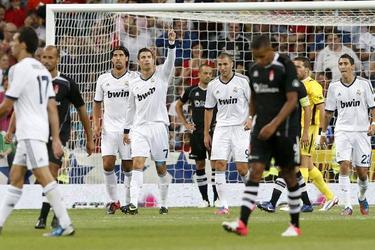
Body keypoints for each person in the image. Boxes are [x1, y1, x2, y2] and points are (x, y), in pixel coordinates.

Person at [222, 35, 302, 237]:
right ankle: (242, 223)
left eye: (261, 56)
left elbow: (292, 100)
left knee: (289, 175)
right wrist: (251, 118)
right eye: (255, 57)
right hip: (261, 130)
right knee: (255, 171)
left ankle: (294, 225)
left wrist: (273, 125)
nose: (259, 61)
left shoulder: (285, 65)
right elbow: (254, 97)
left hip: (283, 129)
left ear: (270, 50)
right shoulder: (254, 70)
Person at [0, 27, 73, 237]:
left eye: (14, 40)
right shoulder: (41, 70)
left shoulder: (20, 69)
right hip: (32, 131)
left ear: (23, 44)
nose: (11, 44)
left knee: (44, 176)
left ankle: (66, 224)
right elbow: (51, 106)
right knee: (15, 178)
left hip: (30, 131)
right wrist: (56, 137)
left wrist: (56, 138)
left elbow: (6, 106)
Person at [30, 45, 94, 229]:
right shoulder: (34, 81)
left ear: (57, 59)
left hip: (59, 136)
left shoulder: (67, 83)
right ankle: (56, 212)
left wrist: (89, 139)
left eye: (51, 57)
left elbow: (82, 112)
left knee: (51, 172)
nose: (47, 61)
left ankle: (43, 217)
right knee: (41, 176)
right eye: (44, 57)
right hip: (37, 134)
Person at [123, 29, 176, 215]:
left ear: (154, 60)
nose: (146, 59)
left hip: (159, 127)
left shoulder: (162, 75)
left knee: (161, 168)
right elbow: (131, 108)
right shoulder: (133, 82)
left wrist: (171, 45)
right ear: (139, 61)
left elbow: (170, 61)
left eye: (149, 56)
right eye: (143, 57)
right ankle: (133, 204)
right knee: (137, 162)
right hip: (139, 128)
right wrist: (126, 130)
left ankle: (164, 203)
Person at [321, 54, 375, 216]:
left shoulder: (364, 84)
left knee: (362, 173)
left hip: (362, 132)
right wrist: (323, 132)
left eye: (345, 63)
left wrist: (373, 124)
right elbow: (328, 112)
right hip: (342, 130)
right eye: (340, 64)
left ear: (352, 66)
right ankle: (347, 205)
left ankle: (362, 196)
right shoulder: (334, 86)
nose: (342, 66)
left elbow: (373, 107)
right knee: (344, 164)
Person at [204, 52, 251, 215]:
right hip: (221, 128)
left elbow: (254, 102)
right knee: (219, 165)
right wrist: (206, 133)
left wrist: (251, 118)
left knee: (242, 168)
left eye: (225, 64)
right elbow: (209, 109)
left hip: (240, 128)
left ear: (232, 64)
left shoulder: (243, 81)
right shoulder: (212, 85)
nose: (222, 67)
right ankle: (223, 205)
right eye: (220, 65)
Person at [93, 46, 138, 214]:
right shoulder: (103, 79)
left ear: (126, 59)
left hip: (129, 129)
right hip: (109, 129)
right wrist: (96, 124)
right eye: (115, 55)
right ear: (112, 59)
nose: (118, 58)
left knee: (128, 166)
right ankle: (113, 201)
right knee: (107, 164)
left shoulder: (134, 78)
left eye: (121, 55)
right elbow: (97, 103)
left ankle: (128, 202)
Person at [176, 64, 218, 208]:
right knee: (200, 165)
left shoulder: (216, 90)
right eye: (205, 73)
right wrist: (186, 124)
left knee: (215, 165)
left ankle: (217, 199)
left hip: (214, 132)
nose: (208, 76)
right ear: (199, 74)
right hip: (197, 133)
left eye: (210, 73)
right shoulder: (191, 90)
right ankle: (205, 199)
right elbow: (178, 105)